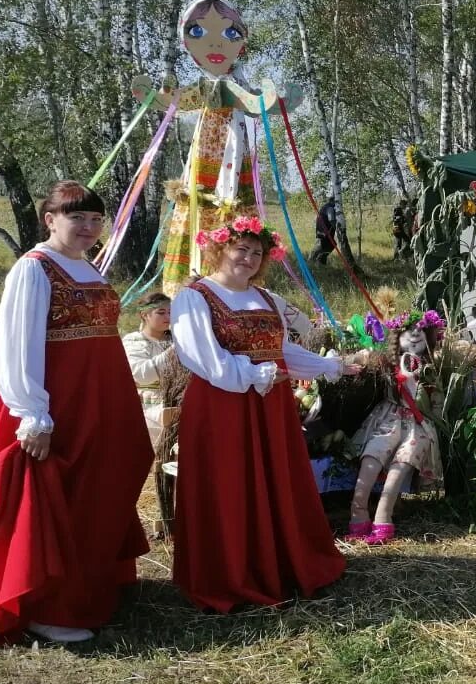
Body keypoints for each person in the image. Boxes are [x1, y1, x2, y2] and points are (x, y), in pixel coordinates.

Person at [0, 181, 152, 644]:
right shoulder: (34, 270)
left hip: (102, 401)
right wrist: (33, 414)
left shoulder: (87, 267)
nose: (88, 227)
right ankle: (48, 606)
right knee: (59, 498)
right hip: (59, 405)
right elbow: (16, 346)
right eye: (77, 218)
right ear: (50, 220)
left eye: (94, 219)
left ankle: (92, 584)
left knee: (97, 490)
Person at [169, 215, 361, 612]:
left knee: (276, 481)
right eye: (241, 249)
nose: (249, 258)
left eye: (257, 252)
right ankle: (234, 576)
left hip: (269, 404)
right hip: (222, 406)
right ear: (220, 248)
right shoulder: (196, 296)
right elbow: (202, 357)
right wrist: (252, 374)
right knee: (231, 485)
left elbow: (282, 350)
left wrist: (330, 366)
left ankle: (280, 565)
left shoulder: (266, 297)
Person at [131, 0, 302, 294]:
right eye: (198, 33)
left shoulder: (237, 86)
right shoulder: (202, 88)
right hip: (204, 162)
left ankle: (234, 289)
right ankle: (191, 288)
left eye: (229, 34)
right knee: (198, 205)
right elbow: (172, 101)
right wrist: (155, 95)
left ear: (241, 43)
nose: (215, 44)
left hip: (235, 166)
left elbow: (254, 103)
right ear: (188, 44)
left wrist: (273, 100)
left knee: (234, 210)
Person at [348, 310, 445, 545]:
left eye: (421, 332)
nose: (415, 336)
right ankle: (358, 513)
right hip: (388, 418)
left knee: (403, 462)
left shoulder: (432, 368)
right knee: (372, 456)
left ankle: (383, 516)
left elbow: (437, 402)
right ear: (397, 336)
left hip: (418, 423)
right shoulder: (388, 363)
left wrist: (421, 385)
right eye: (409, 332)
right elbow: (364, 361)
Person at [123, 292, 175, 446]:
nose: (167, 317)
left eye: (170, 312)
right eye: (161, 312)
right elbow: (141, 374)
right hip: (149, 407)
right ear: (144, 315)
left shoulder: (175, 338)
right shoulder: (134, 340)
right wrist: (175, 351)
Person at [310, 196, 337, 265]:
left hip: (321, 230)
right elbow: (331, 220)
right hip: (325, 231)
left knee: (326, 245)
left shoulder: (324, 207)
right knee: (326, 246)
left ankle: (319, 262)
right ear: (333, 201)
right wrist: (337, 227)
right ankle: (314, 261)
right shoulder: (330, 208)